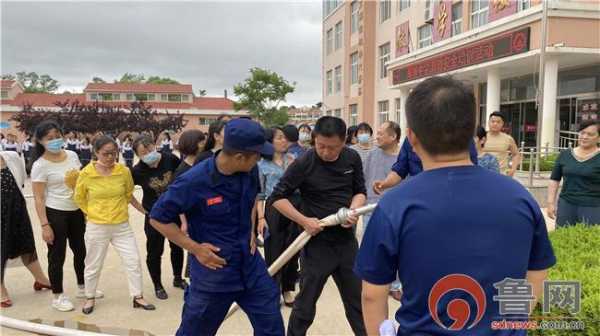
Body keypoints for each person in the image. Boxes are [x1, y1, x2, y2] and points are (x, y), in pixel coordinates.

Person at [354, 76, 556, 335]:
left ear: (411, 138)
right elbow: (538, 272)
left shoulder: (395, 204)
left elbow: (372, 294)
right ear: (473, 132)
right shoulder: (519, 196)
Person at [149, 118, 285, 336]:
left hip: (249, 265)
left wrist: (250, 230)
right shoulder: (194, 180)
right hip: (215, 271)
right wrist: (195, 249)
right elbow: (158, 218)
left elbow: (250, 199)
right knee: (195, 331)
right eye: (257, 155)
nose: (260, 158)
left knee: (272, 324)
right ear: (240, 157)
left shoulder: (249, 171)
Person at [270, 116, 367, 336]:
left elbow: (360, 191)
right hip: (317, 244)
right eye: (320, 145)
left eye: (332, 148)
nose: (325, 152)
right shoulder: (305, 162)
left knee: (358, 304)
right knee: (304, 306)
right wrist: (304, 221)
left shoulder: (352, 158)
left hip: (346, 243)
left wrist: (353, 210)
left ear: (344, 142)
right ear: (314, 140)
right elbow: (276, 198)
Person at [74, 135, 155, 314]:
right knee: (93, 263)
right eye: (106, 154)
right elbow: (79, 198)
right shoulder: (86, 173)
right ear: (96, 153)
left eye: (113, 153)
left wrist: (144, 211)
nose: (110, 157)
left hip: (121, 226)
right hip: (97, 226)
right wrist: (91, 213)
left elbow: (128, 194)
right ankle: (89, 297)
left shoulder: (123, 171)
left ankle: (137, 296)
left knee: (133, 260)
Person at [30, 121, 95, 312]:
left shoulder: (73, 155)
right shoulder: (40, 165)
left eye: (57, 136)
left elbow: (81, 183)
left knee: (81, 251)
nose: (55, 140)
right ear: (40, 141)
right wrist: (44, 225)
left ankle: (83, 288)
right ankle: (57, 296)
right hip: (55, 213)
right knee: (57, 255)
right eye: (49, 138)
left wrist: (85, 210)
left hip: (76, 211)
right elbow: (39, 197)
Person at [131, 134, 185, 300]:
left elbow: (182, 179)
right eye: (143, 152)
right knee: (154, 251)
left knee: (177, 246)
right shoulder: (137, 171)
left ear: (155, 145)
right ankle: (158, 285)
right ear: (138, 155)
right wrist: (143, 211)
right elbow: (126, 193)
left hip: (174, 213)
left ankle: (178, 278)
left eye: (150, 149)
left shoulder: (170, 159)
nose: (148, 153)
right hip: (154, 216)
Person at [1, 151, 52, 308]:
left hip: (16, 209)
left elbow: (21, 180)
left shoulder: (11, 156)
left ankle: (41, 279)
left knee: (26, 244)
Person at [257, 127, 298, 307]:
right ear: (269, 142)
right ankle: (272, 290)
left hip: (294, 208)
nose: (284, 141)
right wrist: (260, 218)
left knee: (293, 249)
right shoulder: (261, 165)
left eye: (285, 138)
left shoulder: (292, 160)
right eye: (279, 137)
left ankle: (288, 289)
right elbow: (259, 195)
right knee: (273, 251)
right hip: (273, 211)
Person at [372, 133, 479, 195]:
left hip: (451, 196)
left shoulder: (460, 135)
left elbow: (470, 170)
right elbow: (400, 169)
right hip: (418, 196)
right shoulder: (412, 137)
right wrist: (384, 184)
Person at [547, 120, 600, 227]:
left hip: (593, 207)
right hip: (566, 204)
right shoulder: (565, 154)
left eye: (590, 134)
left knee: (588, 240)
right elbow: (554, 179)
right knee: (563, 237)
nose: (584, 136)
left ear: (599, 138)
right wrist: (550, 202)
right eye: (582, 132)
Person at [361, 121, 401, 231]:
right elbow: (362, 179)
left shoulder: (405, 159)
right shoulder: (372, 155)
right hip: (371, 211)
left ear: (393, 136)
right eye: (377, 134)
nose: (377, 137)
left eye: (380, 134)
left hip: (397, 213)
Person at [483, 111, 521, 176]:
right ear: (488, 122)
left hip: (501, 174)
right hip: (482, 174)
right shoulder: (481, 137)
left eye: (498, 122)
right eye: (493, 121)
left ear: (502, 124)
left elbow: (516, 154)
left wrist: (513, 170)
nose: (495, 124)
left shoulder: (508, 138)